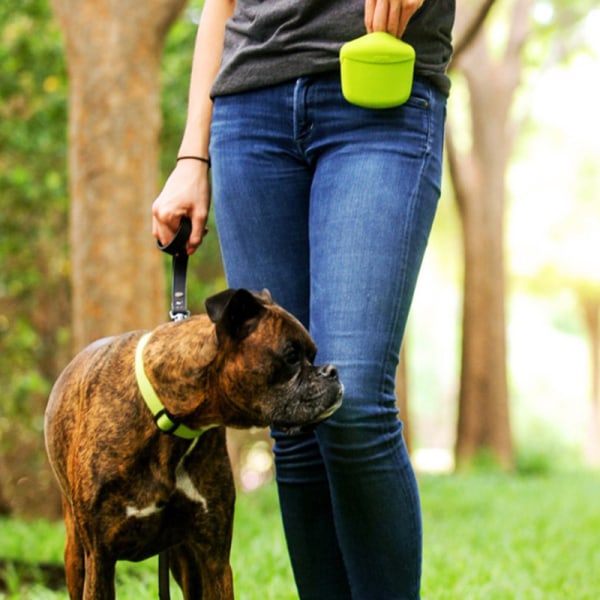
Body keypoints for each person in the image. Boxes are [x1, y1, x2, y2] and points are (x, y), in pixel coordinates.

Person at [152, 1, 455, 598]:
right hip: (248, 108)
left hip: (381, 93)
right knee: (289, 414)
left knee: (356, 399)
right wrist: (193, 154)